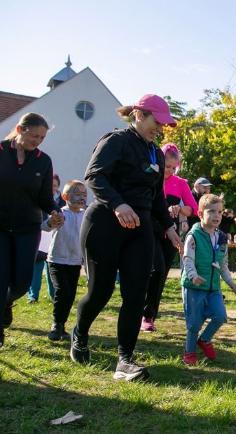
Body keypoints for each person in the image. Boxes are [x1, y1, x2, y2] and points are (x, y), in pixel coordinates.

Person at [70, 94, 182, 381]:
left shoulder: (156, 153)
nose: (160, 128)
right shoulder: (116, 141)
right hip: (105, 222)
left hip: (141, 227)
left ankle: (125, 360)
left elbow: (157, 196)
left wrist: (168, 226)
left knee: (136, 293)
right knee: (101, 291)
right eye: (157, 122)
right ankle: (80, 334)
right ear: (139, 115)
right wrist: (119, 204)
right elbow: (94, 176)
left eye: (163, 124)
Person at [0, 113, 63, 350]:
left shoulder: (43, 161)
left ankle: (3, 302)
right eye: (34, 135)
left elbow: (44, 198)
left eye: (42, 137)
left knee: (21, 281)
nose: (37, 141)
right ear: (19, 129)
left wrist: (55, 211)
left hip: (26, 226)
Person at [141, 143, 198, 332]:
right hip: (147, 231)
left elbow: (194, 209)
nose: (170, 170)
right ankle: (140, 311)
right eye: (167, 166)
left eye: (174, 167)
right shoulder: (149, 176)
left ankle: (149, 316)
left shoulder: (180, 183)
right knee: (153, 269)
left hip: (168, 233)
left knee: (161, 274)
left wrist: (179, 208)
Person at [180, 193, 236, 365]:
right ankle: (189, 352)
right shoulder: (194, 236)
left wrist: (230, 282)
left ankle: (204, 340)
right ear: (200, 214)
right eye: (211, 211)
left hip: (213, 287)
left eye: (219, 212)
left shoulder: (221, 238)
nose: (216, 216)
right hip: (194, 286)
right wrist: (193, 276)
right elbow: (187, 259)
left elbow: (223, 264)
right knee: (194, 323)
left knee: (220, 316)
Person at [43, 180, 87, 341]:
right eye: (77, 194)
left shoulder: (86, 215)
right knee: (62, 291)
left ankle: (62, 324)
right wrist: (50, 222)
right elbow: (45, 227)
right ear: (65, 196)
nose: (81, 198)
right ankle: (56, 324)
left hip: (75, 262)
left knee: (70, 294)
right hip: (57, 260)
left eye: (84, 194)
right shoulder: (59, 213)